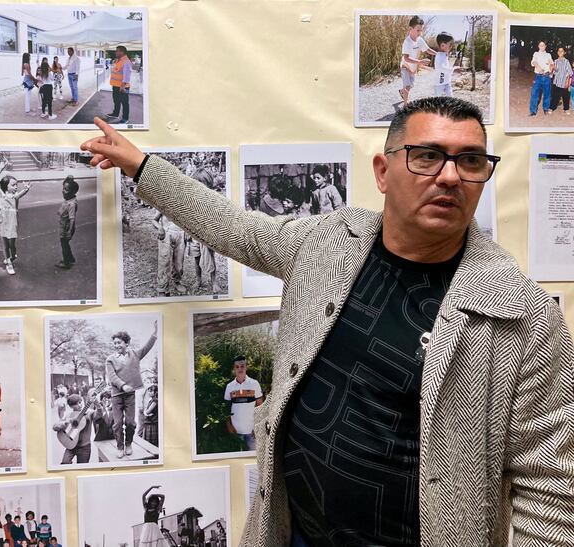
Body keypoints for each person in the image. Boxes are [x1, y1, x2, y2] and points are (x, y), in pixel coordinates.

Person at [80, 96, 574, 545]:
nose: (450, 176)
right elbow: (236, 229)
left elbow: (550, 492)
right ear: (383, 171)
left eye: (470, 161)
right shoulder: (327, 244)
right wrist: (142, 167)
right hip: (296, 533)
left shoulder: (522, 314)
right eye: (427, 156)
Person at [105, 322, 158, 458]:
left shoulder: (135, 355)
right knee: (117, 424)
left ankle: (128, 443)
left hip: (130, 395)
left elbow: (146, 348)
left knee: (130, 423)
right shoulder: (110, 360)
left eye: (119, 342)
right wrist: (123, 385)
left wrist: (155, 333)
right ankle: (120, 446)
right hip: (116, 395)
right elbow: (112, 377)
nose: (116, 345)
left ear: (126, 343)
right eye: (115, 343)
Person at [0, 160, 31, 276]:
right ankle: (9, 263)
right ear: (5, 186)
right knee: (5, 245)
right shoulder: (1, 194)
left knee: (12, 245)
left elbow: (21, 193)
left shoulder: (15, 197)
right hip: (2, 222)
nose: (16, 187)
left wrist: (26, 189)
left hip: (12, 223)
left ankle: (12, 257)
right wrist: (1, 168)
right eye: (13, 185)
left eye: (16, 184)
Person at [223, 356, 263, 451]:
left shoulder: (254, 384)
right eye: (237, 367)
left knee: (253, 458)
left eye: (242, 366)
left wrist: (258, 427)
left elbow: (260, 406)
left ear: (246, 367)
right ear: (234, 369)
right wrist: (229, 426)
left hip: (252, 432)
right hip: (236, 432)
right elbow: (226, 408)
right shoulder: (229, 386)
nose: (240, 369)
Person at [399, 16, 436, 106]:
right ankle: (405, 105)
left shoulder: (420, 40)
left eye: (421, 30)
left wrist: (438, 54)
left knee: (411, 85)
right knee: (407, 86)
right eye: (418, 30)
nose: (420, 33)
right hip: (405, 66)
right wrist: (420, 62)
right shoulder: (407, 42)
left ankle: (401, 91)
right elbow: (406, 58)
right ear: (410, 29)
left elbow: (427, 49)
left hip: (413, 67)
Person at [53, 393, 93, 464]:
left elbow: (98, 415)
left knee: (82, 467)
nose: (79, 405)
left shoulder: (89, 413)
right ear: (71, 406)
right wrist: (66, 422)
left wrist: (98, 406)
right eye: (76, 404)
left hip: (84, 447)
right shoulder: (69, 415)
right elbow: (55, 427)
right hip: (70, 445)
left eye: (80, 402)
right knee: (65, 463)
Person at [152, 212, 186, 296]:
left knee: (179, 263)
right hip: (166, 233)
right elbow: (154, 220)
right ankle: (162, 288)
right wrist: (160, 228)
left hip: (181, 234)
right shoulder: (165, 205)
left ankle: (176, 281)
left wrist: (188, 232)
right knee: (164, 261)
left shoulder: (184, 206)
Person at [56, 176, 79, 270]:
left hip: (67, 227)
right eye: (63, 188)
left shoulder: (72, 204)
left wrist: (70, 231)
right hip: (64, 224)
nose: (63, 191)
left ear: (72, 192)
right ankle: (71, 258)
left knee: (64, 244)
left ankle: (66, 262)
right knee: (65, 243)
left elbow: (72, 218)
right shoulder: (68, 200)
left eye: (66, 189)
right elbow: (64, 209)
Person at [106, 45, 132, 124]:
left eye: (117, 51)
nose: (115, 52)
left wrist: (122, 86)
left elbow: (127, 75)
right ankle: (115, 114)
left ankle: (125, 118)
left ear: (122, 52)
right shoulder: (118, 60)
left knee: (124, 103)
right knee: (116, 101)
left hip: (122, 87)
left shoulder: (126, 61)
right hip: (116, 85)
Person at [529, 40, 554, 116]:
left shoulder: (548, 55)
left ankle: (545, 109)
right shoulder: (536, 54)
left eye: (543, 45)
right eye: (540, 45)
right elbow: (534, 62)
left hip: (546, 77)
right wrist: (539, 68)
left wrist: (551, 70)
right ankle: (533, 111)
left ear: (545, 46)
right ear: (538, 46)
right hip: (538, 76)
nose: (542, 47)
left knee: (547, 94)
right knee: (534, 94)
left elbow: (551, 63)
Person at [433, 32, 459, 98]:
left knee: (450, 99)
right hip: (439, 84)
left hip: (447, 82)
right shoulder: (439, 56)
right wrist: (453, 70)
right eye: (450, 44)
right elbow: (440, 68)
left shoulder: (444, 54)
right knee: (439, 101)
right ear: (442, 45)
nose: (451, 46)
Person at [550, 46, 572, 115]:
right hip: (557, 82)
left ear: (564, 52)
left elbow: (570, 73)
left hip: (564, 82)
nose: (560, 52)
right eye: (559, 51)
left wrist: (567, 82)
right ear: (557, 52)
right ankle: (552, 108)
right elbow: (554, 72)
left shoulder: (566, 61)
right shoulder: (555, 61)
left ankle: (566, 109)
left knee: (566, 96)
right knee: (555, 96)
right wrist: (552, 68)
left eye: (562, 51)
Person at [139, 382, 158, 446]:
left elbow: (147, 412)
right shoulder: (151, 400)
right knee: (148, 443)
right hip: (149, 422)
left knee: (151, 443)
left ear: (155, 392)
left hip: (152, 423)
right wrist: (146, 412)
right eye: (149, 391)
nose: (149, 393)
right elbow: (146, 411)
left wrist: (146, 412)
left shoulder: (155, 400)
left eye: (151, 391)